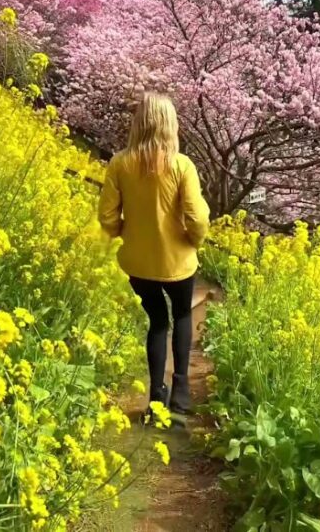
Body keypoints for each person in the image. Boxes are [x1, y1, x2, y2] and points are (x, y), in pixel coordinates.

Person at [98, 92, 210, 424]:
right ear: (169, 125)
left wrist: (125, 233)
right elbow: (198, 218)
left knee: (158, 322)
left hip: (138, 264)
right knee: (183, 316)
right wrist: (193, 241)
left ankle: (156, 396)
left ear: (140, 123)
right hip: (178, 263)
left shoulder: (120, 163)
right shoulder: (181, 165)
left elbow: (107, 217)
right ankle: (181, 392)